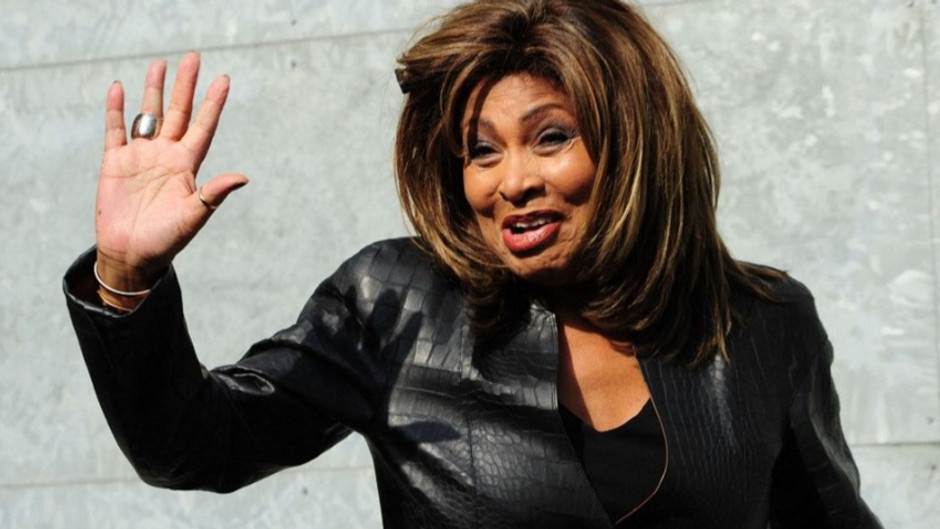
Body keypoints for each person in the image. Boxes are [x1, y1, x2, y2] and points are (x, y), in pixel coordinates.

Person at [64, 0, 884, 527]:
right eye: (481, 150)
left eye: (550, 136)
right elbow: (193, 445)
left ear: (636, 142)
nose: (510, 180)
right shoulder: (394, 303)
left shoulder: (761, 321)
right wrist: (126, 276)